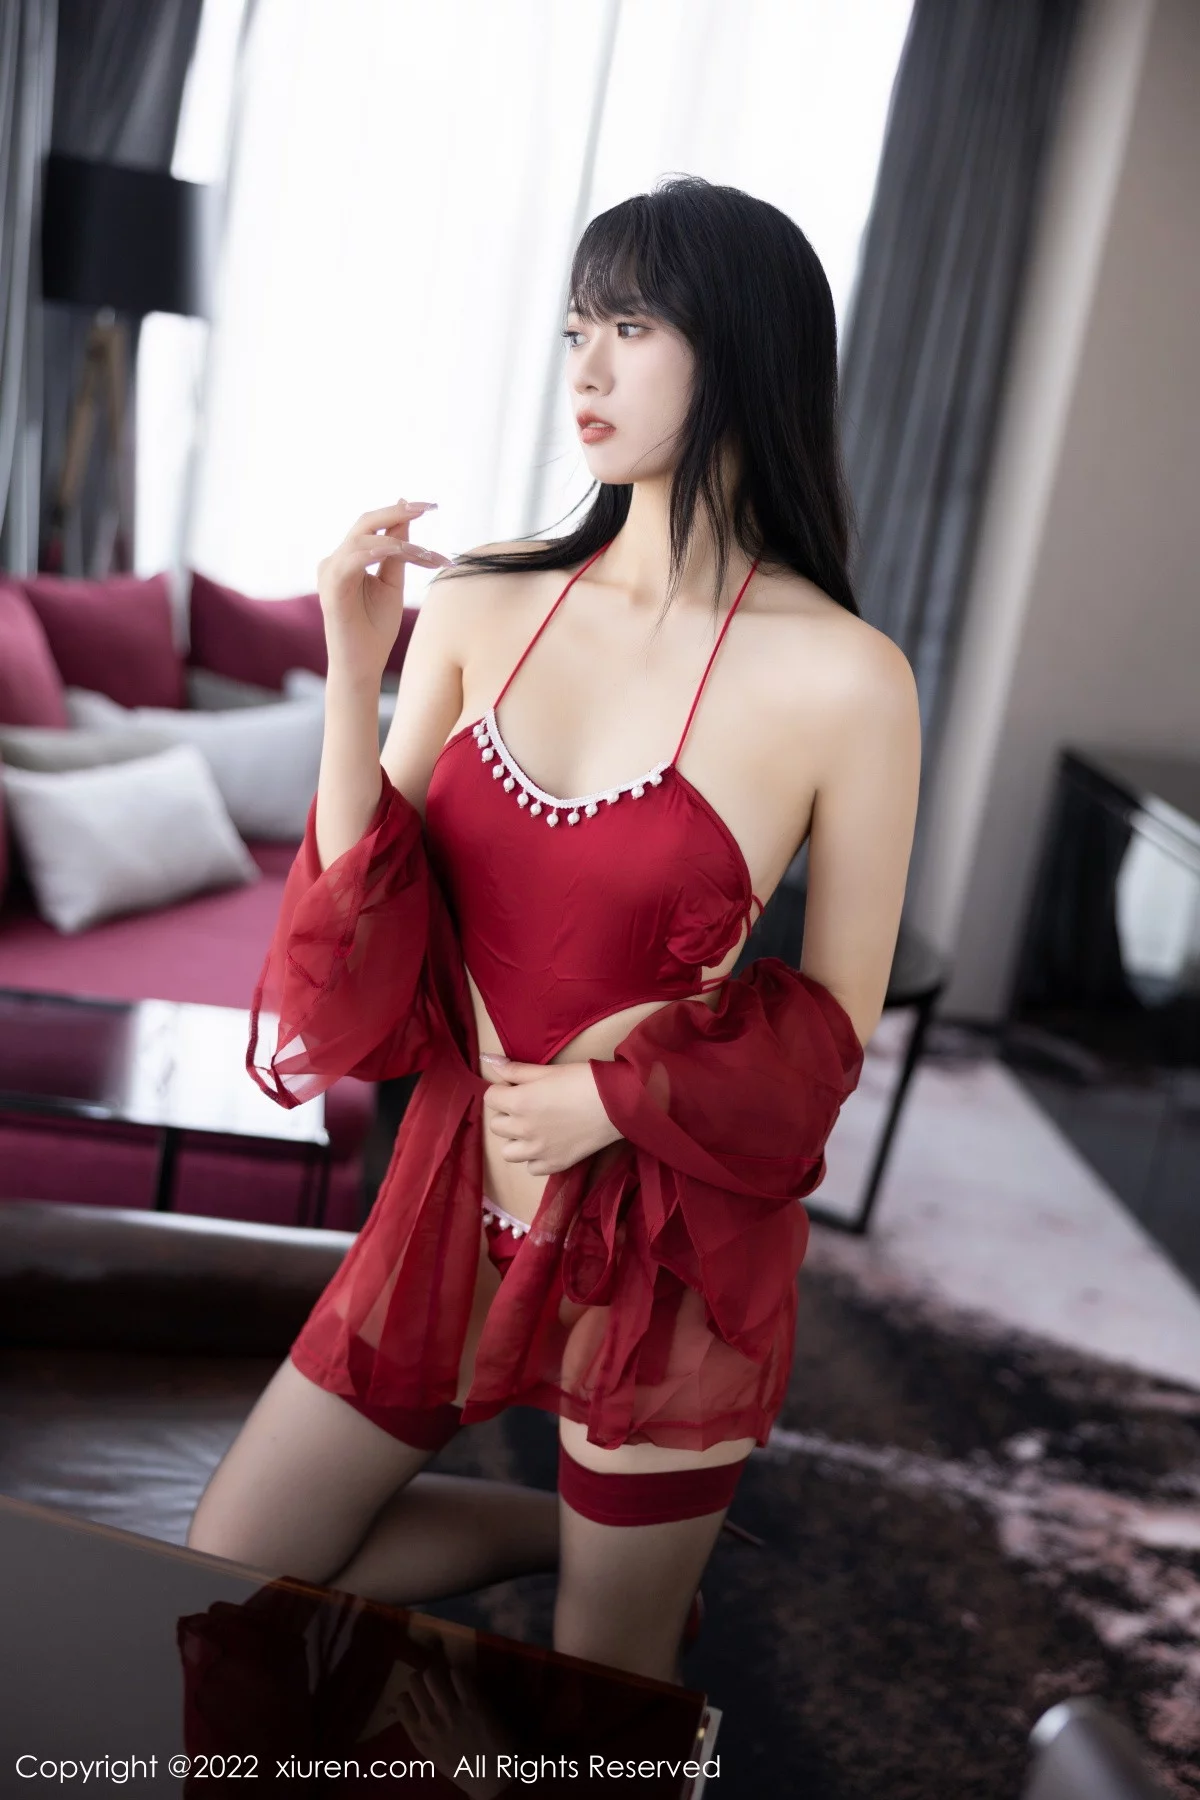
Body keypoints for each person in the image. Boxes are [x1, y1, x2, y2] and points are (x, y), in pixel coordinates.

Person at [186, 175, 921, 1689]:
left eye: (631, 328)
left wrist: (613, 1096)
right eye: (577, 326)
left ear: (743, 348)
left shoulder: (849, 679)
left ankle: (621, 1579)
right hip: (454, 1187)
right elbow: (358, 919)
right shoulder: (482, 604)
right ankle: (560, 1537)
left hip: (665, 1225)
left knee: (599, 1693)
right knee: (228, 1565)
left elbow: (835, 1026)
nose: (585, 366)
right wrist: (352, 675)